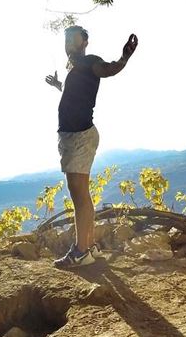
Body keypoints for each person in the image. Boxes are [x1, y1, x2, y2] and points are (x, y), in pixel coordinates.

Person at [45, 25, 138, 267]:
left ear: (85, 42)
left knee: (79, 196)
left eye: (73, 38)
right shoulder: (76, 68)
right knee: (82, 195)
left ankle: (81, 251)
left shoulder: (89, 63)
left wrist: (124, 57)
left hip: (79, 136)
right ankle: (89, 247)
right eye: (65, 39)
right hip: (74, 136)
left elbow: (109, 69)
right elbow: (76, 95)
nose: (67, 42)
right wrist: (58, 87)